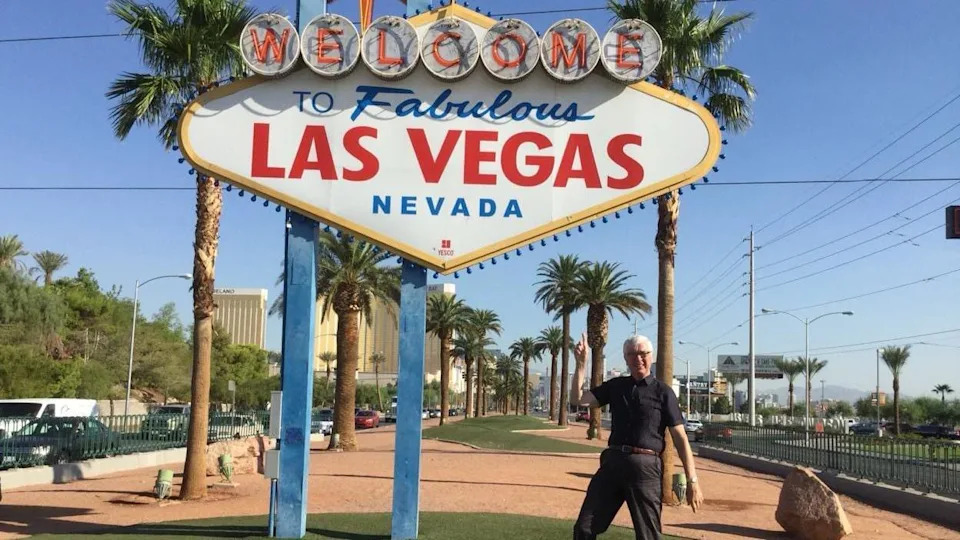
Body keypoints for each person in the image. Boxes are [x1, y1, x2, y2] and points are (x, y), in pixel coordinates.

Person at [572, 333, 704, 540]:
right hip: (613, 464)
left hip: (646, 468)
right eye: (632, 354)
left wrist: (692, 480)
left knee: (648, 535)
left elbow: (680, 437)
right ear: (625, 358)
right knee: (584, 527)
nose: (637, 358)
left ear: (651, 356)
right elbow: (579, 399)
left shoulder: (663, 392)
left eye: (643, 353)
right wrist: (581, 364)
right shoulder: (616, 386)